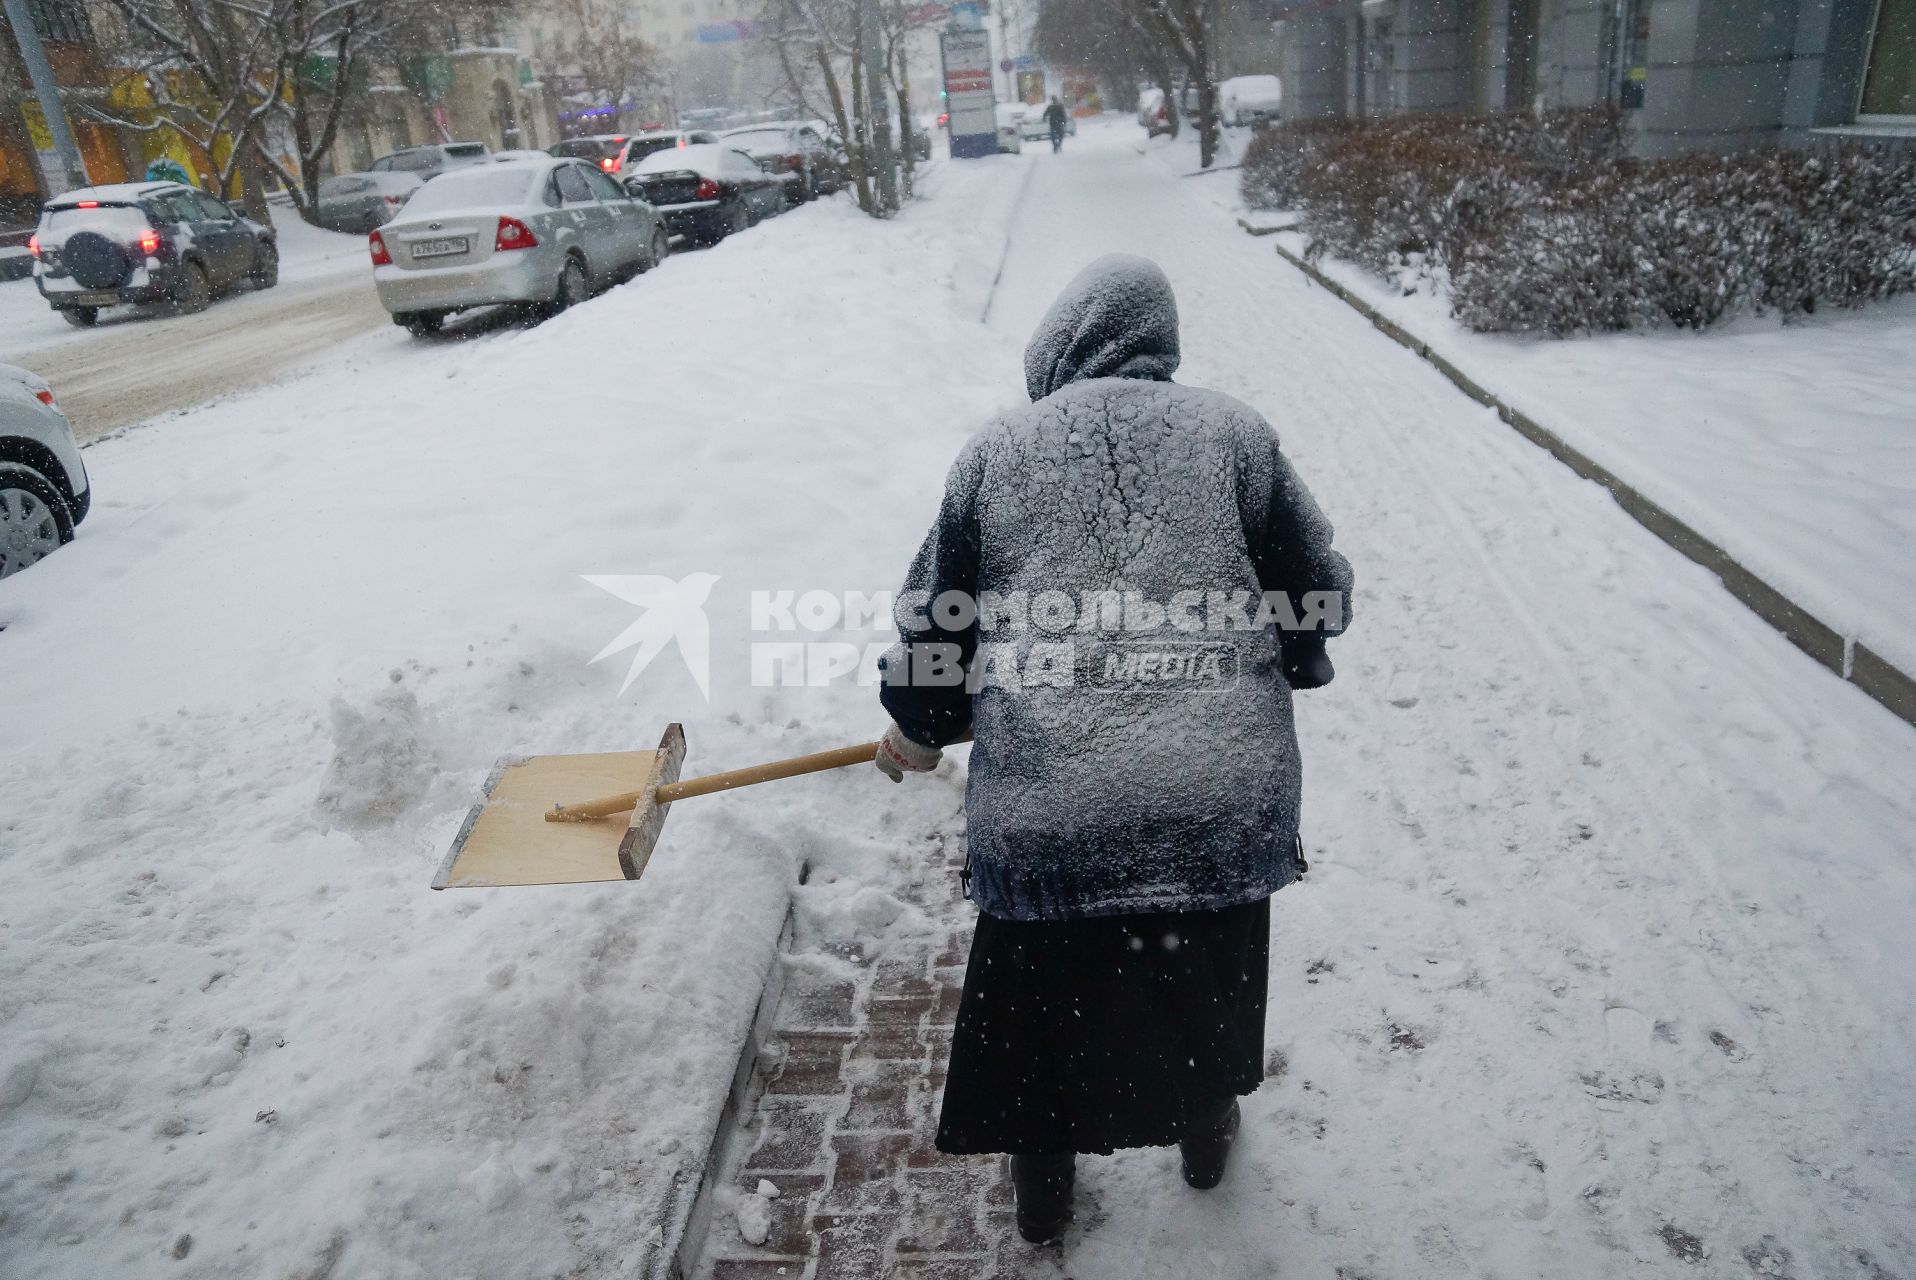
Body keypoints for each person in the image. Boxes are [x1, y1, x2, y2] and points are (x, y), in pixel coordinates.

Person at [873, 255, 1353, 1244]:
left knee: (1038, 1008)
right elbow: (1313, 587)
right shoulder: (1235, 437)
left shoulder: (994, 454)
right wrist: (1294, 656)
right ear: (1156, 344)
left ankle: (1042, 1177)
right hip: (1217, 792)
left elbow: (940, 621)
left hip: (1052, 807)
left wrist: (917, 727)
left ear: (1056, 346)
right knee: (1202, 972)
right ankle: (1202, 1120)